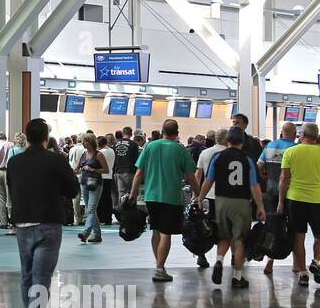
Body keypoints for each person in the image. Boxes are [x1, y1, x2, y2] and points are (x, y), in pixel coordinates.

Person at [7, 118, 79, 308]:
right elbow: (73, 189)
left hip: (22, 224)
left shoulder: (15, 162)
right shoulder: (56, 159)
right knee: (41, 278)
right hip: (48, 223)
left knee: (26, 275)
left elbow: (12, 188)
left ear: (26, 137)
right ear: (46, 137)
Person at [194, 127, 265, 289]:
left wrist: (200, 197)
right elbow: (255, 186)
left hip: (221, 201)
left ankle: (219, 260)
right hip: (241, 202)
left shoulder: (218, 157)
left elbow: (208, 180)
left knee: (224, 236)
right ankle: (237, 276)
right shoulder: (247, 159)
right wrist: (260, 206)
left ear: (227, 141)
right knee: (239, 239)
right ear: (243, 141)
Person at [130, 119, 200, 282]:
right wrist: (198, 194)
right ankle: (160, 268)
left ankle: (159, 265)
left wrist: (132, 193)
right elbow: (191, 176)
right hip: (171, 197)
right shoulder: (180, 150)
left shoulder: (150, 147)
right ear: (177, 133)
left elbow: (139, 172)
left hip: (151, 196)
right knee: (165, 232)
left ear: (162, 131)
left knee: (156, 230)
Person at [280, 122, 320, 287]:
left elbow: (284, 179)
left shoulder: (290, 152)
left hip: (295, 200)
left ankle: (302, 273)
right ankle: (315, 261)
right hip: (318, 201)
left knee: (298, 237)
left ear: (302, 135)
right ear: (316, 137)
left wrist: (281, 202)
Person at [74, 133, 109, 243]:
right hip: (84, 183)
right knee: (91, 211)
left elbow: (106, 170)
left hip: (96, 184)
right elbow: (76, 168)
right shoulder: (83, 154)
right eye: (83, 141)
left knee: (90, 209)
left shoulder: (99, 155)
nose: (84, 143)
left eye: (86, 141)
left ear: (91, 142)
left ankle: (86, 232)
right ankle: (97, 234)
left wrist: (93, 169)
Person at [259, 122, 297, 210]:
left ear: (281, 132)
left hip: (271, 188)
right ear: (295, 134)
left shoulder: (269, 146)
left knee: (272, 219)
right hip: (290, 191)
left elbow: (259, 165)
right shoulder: (296, 148)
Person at [111, 125, 139, 207]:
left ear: (123, 133)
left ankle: (122, 214)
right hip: (130, 172)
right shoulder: (134, 144)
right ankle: (132, 213)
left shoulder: (115, 144)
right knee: (132, 193)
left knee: (121, 194)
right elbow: (136, 159)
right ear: (131, 134)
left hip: (118, 172)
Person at [0, 131, 12, 230]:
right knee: (10, 196)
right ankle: (12, 220)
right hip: (9, 172)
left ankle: (3, 222)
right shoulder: (11, 145)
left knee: (1, 198)